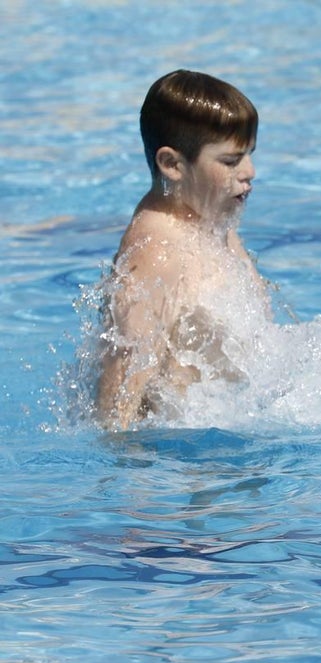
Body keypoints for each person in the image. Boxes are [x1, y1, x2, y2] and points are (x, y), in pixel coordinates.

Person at [96, 70, 269, 430]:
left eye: (249, 154)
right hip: (180, 457)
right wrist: (123, 474)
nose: (250, 171)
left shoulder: (211, 216)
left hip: (226, 427)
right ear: (173, 165)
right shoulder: (156, 253)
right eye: (230, 161)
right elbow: (118, 393)